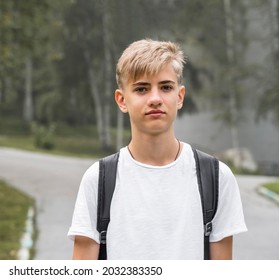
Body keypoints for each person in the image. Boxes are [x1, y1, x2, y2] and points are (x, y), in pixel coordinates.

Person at [67, 39, 247, 260]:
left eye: (166, 87)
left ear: (179, 96)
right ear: (122, 100)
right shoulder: (99, 180)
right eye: (141, 88)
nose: (155, 99)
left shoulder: (216, 178)